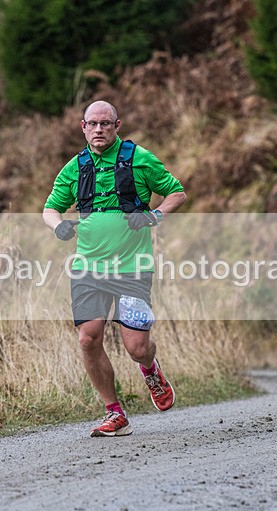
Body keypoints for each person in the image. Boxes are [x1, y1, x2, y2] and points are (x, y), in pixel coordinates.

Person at [42, 100, 187, 437]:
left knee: (136, 348)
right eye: (92, 124)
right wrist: (58, 226)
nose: (98, 130)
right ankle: (114, 412)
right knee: (88, 338)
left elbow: (176, 193)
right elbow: (50, 208)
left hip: (132, 268)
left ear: (117, 125)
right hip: (88, 269)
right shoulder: (75, 167)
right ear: (83, 127)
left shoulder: (139, 159)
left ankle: (150, 369)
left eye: (105, 124)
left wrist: (154, 215)